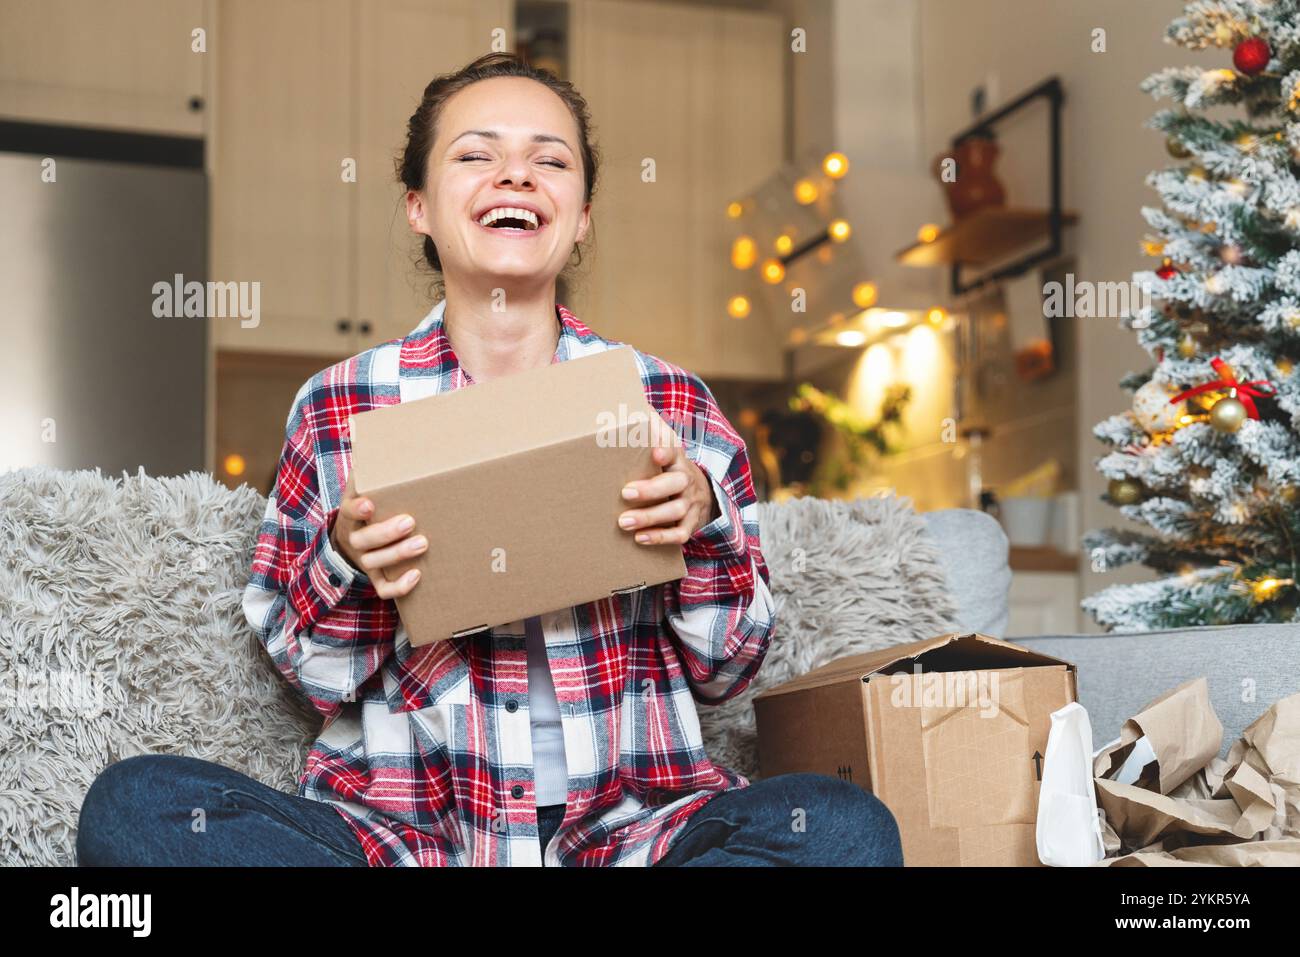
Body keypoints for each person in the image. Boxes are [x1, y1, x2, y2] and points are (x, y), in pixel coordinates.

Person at [76, 53, 903, 868]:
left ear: (581, 216)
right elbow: (310, 675)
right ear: (418, 207)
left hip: (635, 835)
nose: (516, 177)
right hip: (402, 839)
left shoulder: (669, 403)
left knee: (843, 828)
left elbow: (732, 672)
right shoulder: (339, 405)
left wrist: (701, 524)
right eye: (476, 155)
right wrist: (349, 561)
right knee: (137, 806)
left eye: (550, 160)